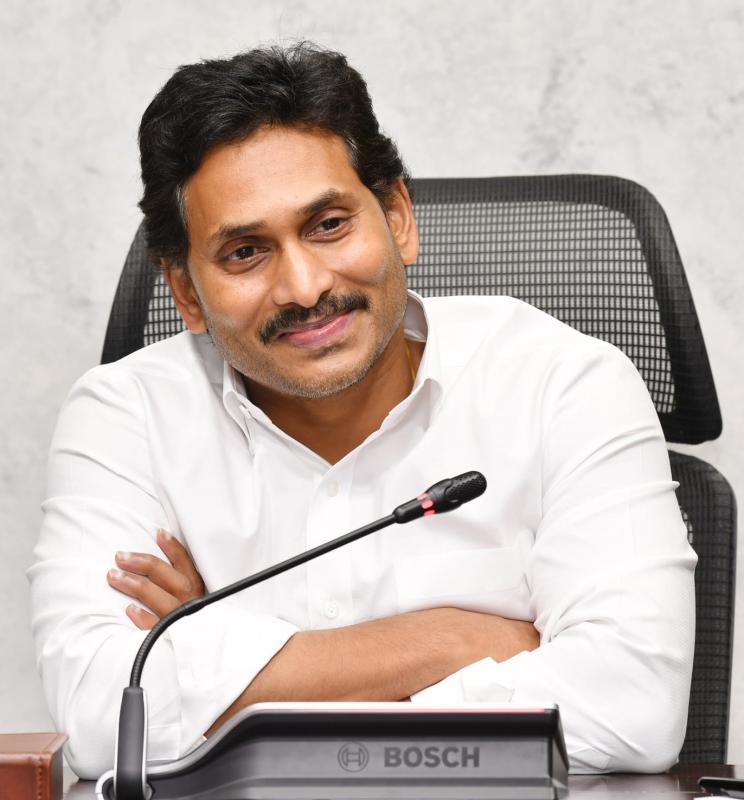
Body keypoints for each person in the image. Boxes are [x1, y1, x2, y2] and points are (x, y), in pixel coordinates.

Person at [28, 42, 696, 780]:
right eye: (246, 252)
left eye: (328, 225)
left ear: (398, 217)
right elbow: (101, 715)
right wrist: (453, 641)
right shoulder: (124, 417)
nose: (305, 287)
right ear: (186, 292)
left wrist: (222, 649)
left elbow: (634, 707)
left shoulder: (564, 385)